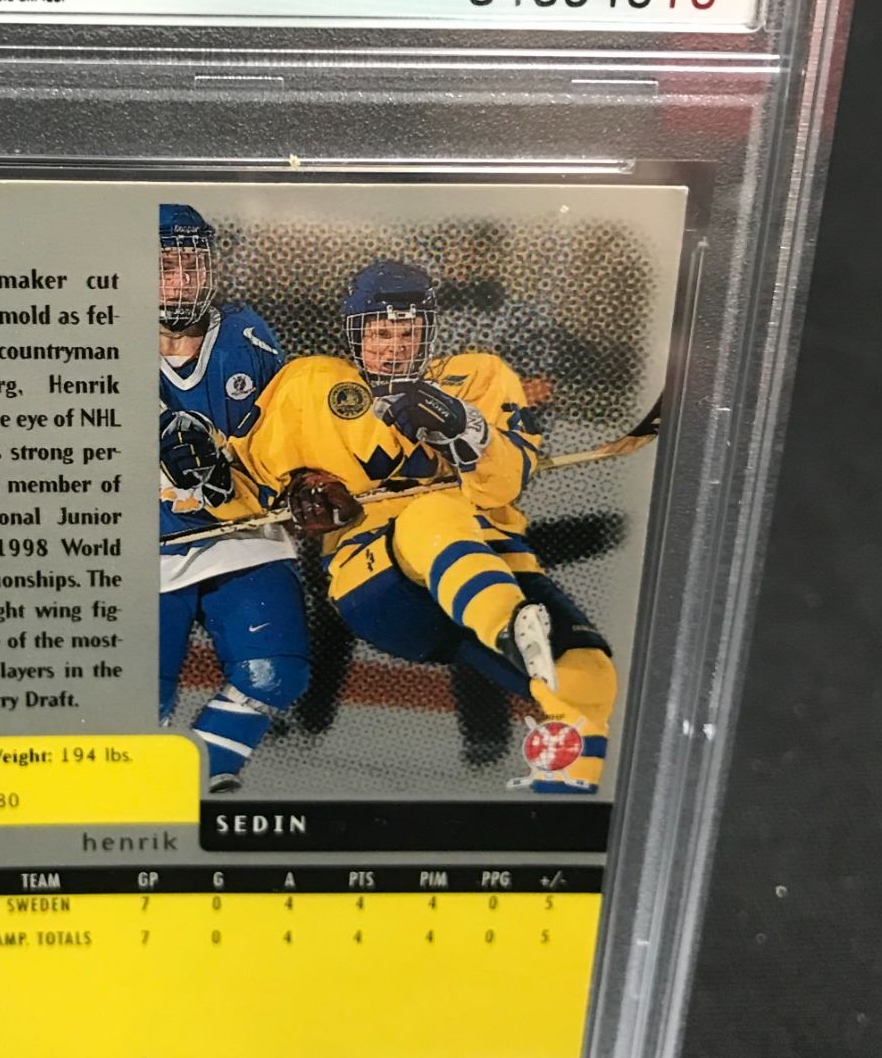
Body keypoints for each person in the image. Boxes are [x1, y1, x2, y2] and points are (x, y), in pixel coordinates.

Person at [219, 258, 616, 793]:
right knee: (432, 514)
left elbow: (503, 485)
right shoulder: (311, 385)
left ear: (429, 332)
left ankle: (566, 792)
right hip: (378, 581)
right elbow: (249, 478)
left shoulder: (477, 376)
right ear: (354, 331)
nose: (395, 348)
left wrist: (466, 429)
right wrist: (298, 490)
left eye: (408, 334)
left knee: (589, 671)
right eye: (380, 333)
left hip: (489, 556)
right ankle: (508, 628)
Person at [156, 205, 310, 793]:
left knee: (275, 673)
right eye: (164, 267)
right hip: (147, 545)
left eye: (192, 266)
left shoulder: (246, 333)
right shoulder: (91, 336)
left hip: (241, 530)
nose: (181, 281)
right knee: (136, 702)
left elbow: (283, 435)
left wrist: (303, 480)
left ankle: (200, 770)